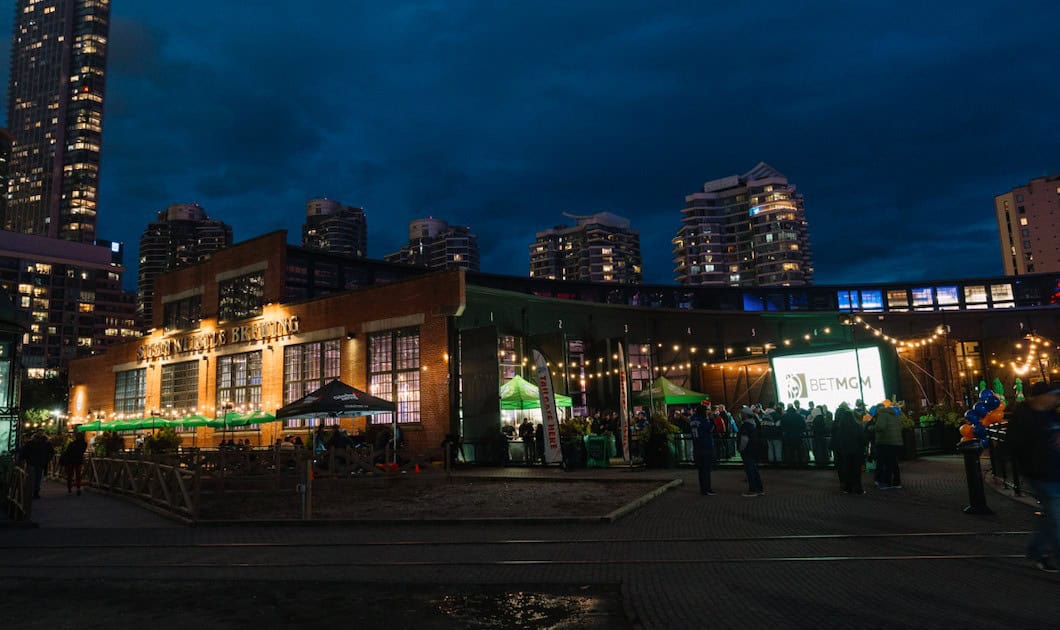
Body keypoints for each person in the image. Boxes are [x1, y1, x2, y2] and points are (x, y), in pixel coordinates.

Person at [1008, 381, 1060, 572]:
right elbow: (1015, 446)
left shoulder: (1051, 414)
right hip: (1041, 475)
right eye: (1052, 395)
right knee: (1056, 518)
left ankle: (1036, 550)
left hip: (1055, 472)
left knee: (1051, 517)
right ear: (1039, 396)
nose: (1055, 398)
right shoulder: (1024, 417)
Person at [831, 406, 865, 494]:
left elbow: (838, 440)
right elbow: (862, 439)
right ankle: (858, 488)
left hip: (845, 452)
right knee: (857, 471)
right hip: (856, 451)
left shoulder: (840, 428)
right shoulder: (857, 426)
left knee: (847, 470)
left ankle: (848, 488)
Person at [873, 406, 903, 489]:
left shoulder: (882, 415)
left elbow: (880, 427)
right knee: (894, 463)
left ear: (879, 410)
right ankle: (897, 482)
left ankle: (886, 482)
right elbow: (901, 426)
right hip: (896, 442)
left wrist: (872, 428)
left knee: (887, 463)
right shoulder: (895, 415)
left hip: (886, 441)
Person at [737, 406, 765, 497]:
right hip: (754, 449)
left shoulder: (745, 426)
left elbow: (744, 439)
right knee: (754, 470)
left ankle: (752, 490)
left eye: (742, 414)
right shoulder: (753, 424)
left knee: (750, 470)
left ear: (745, 415)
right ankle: (759, 489)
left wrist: (741, 449)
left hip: (747, 450)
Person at [19, 432, 55, 500]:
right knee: (37, 478)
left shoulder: (31, 443)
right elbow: (51, 452)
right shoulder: (46, 443)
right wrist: (46, 460)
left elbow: (24, 452)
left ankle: (32, 492)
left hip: (32, 463)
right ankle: (35, 492)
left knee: (32, 478)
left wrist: (23, 459)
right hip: (40, 463)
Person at [689, 404, 715, 495]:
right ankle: (707, 489)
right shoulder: (703, 421)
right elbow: (710, 429)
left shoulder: (692, 420)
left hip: (697, 448)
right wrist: (712, 419)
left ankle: (702, 489)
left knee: (700, 470)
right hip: (706, 447)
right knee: (706, 470)